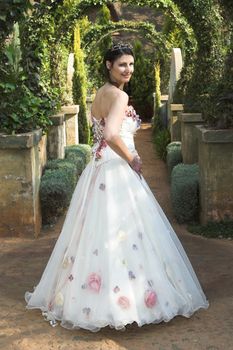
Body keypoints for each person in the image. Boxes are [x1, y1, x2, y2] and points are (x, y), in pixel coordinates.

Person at [25, 42, 209, 332]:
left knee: (99, 233)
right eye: (122, 64)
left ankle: (89, 298)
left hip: (98, 169)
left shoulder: (101, 93)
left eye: (132, 64)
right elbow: (111, 134)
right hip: (116, 169)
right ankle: (126, 302)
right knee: (127, 232)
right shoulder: (119, 95)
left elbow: (103, 131)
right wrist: (133, 158)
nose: (129, 69)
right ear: (108, 65)